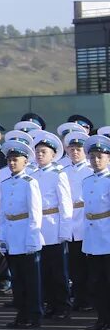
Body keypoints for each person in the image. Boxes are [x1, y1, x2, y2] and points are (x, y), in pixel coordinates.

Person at [0, 140, 44, 328]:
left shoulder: (30, 182)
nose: (11, 163)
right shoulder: (6, 183)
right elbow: (2, 213)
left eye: (15, 159)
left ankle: (34, 314)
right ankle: (21, 314)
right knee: (17, 279)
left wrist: (32, 239)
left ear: (25, 161)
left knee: (30, 280)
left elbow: (35, 212)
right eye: (9, 159)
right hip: (11, 234)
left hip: (25, 233)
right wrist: (2, 238)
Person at [31, 132, 72, 320]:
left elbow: (65, 204)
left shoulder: (58, 174)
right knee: (44, 269)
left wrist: (65, 230)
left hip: (53, 224)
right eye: (38, 152)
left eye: (44, 152)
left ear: (53, 155)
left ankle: (62, 305)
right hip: (37, 227)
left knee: (58, 270)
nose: (40, 155)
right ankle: (49, 303)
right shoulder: (32, 175)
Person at [80, 136, 110, 330]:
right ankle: (102, 319)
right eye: (92, 157)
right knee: (96, 282)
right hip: (92, 236)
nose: (96, 161)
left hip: (107, 235)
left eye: (100, 157)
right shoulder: (87, 180)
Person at [63, 131, 94, 311]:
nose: (75, 152)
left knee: (89, 264)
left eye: (79, 149)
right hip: (70, 220)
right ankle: (79, 297)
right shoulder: (64, 171)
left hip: (86, 219)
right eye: (72, 149)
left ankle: (90, 299)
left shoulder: (90, 169)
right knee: (75, 265)